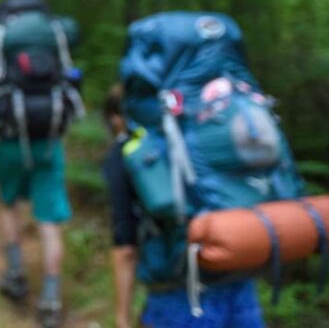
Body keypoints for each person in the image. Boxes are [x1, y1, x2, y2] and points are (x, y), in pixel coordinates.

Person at [103, 88, 267, 327]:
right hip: (239, 283)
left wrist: (122, 318)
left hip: (179, 295)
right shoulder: (202, 134)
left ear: (119, 117)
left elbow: (125, 246)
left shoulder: (128, 155)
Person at [0, 0, 82, 328]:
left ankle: (15, 274)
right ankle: (51, 298)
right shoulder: (56, 33)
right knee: (49, 219)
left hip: (9, 141)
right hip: (49, 141)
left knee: (9, 205)